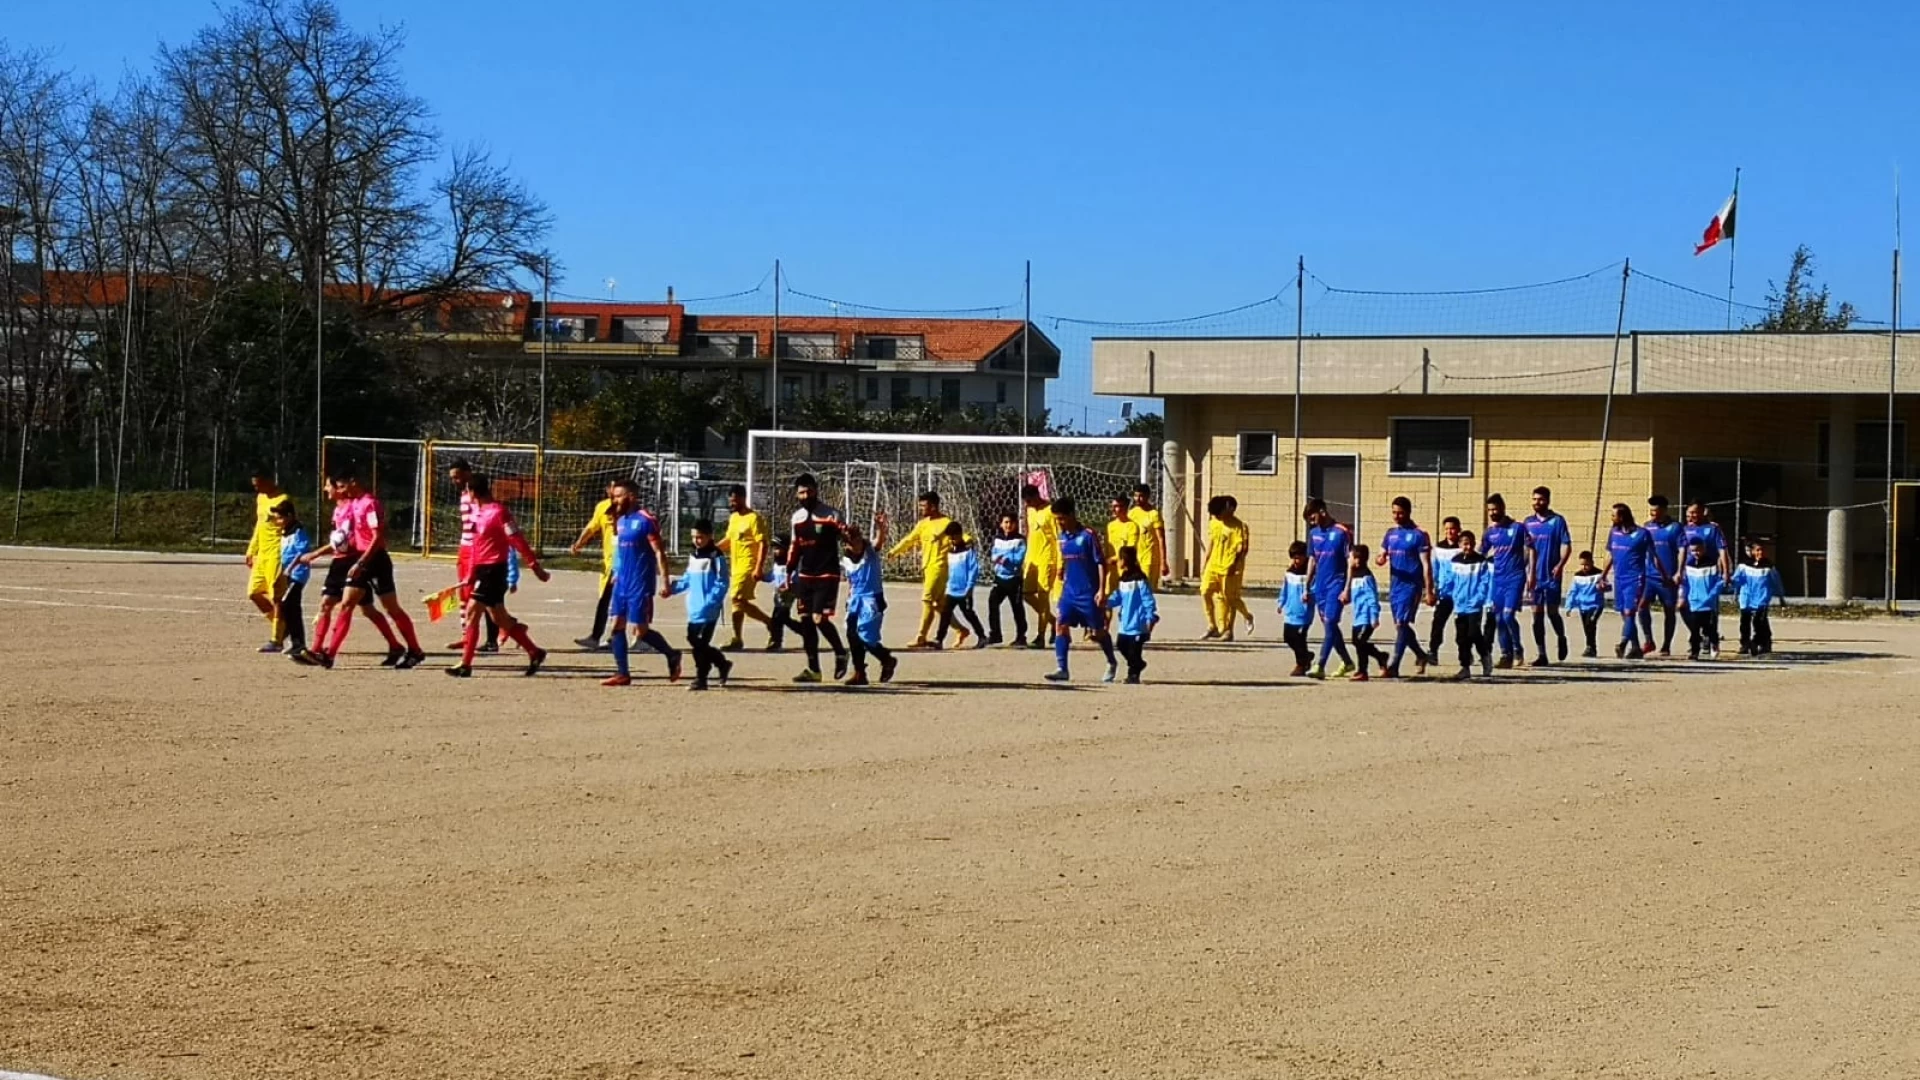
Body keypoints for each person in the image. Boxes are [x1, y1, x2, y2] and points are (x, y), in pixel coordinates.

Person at [310, 469, 427, 669]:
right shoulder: (353, 504)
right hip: (361, 558)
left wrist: (361, 561)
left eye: (342, 486)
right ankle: (328, 654)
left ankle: (415, 650)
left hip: (375, 560)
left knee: (392, 608)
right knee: (347, 604)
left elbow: (377, 537)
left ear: (353, 482)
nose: (341, 491)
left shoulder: (370, 504)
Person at [446, 474, 550, 677]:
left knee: (472, 612)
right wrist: (470, 573)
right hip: (482, 570)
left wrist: (534, 565)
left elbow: (517, 539)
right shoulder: (477, 513)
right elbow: (476, 547)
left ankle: (465, 664)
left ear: (473, 492)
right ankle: (535, 651)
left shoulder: (499, 512)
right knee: (500, 618)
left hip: (495, 569)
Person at [292, 479, 400, 667]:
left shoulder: (354, 506)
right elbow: (338, 540)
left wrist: (317, 553)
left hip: (355, 560)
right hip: (339, 562)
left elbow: (352, 537)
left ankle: (328, 653)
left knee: (360, 608)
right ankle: (316, 649)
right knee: (331, 604)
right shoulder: (337, 510)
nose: (326, 489)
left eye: (329, 485)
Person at [602, 478, 683, 687]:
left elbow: (659, 552)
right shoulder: (619, 521)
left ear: (631, 496)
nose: (615, 500)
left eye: (619, 496)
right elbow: (620, 550)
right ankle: (623, 674)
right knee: (615, 627)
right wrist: (615, 572)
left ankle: (672, 654)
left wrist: (665, 580)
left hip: (640, 582)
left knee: (640, 630)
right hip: (622, 582)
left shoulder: (646, 520)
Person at [1043, 497, 1119, 683]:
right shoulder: (1062, 537)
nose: (1059, 522)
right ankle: (1062, 668)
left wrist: (1101, 590)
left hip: (1088, 593)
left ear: (1071, 515)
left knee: (1098, 632)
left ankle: (1111, 661)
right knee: (1061, 626)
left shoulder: (1087, 535)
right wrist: (1062, 569)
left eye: (1061, 518)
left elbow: (1101, 563)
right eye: (1056, 519)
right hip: (1069, 591)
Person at [787, 474, 851, 682]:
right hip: (805, 575)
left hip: (827, 573)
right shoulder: (796, 518)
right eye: (802, 493)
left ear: (816, 490)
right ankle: (813, 669)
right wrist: (788, 572)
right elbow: (794, 547)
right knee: (806, 621)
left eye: (809, 491)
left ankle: (841, 653)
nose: (806, 496)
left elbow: (849, 540)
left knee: (818, 618)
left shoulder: (832, 515)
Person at [443, 457, 502, 654]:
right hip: (465, 548)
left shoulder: (479, 497)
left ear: (468, 473)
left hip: (477, 550)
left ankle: (496, 636)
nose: (455, 481)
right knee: (465, 595)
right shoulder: (464, 495)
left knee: (481, 596)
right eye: (453, 478)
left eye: (458, 477)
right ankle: (466, 636)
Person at [667, 519, 733, 690]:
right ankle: (721, 663)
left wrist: (711, 601)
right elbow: (688, 579)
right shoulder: (694, 556)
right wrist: (672, 588)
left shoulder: (716, 556)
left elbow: (722, 582)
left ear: (710, 536)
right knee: (694, 640)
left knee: (700, 645)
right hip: (695, 608)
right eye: (694, 537)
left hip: (709, 609)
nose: (697, 540)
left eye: (700, 537)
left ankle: (701, 678)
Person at [889, 490, 956, 649]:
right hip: (927, 567)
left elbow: (963, 537)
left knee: (927, 600)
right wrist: (894, 551)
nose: (921, 509)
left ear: (933, 506)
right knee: (939, 605)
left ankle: (921, 637)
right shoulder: (923, 523)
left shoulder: (947, 523)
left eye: (923, 506)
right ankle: (961, 630)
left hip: (940, 567)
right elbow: (909, 539)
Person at [1376, 496, 1434, 677]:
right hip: (1395, 586)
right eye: (1394, 512)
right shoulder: (1390, 534)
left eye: (1400, 513)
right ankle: (1421, 654)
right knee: (1400, 626)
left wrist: (1429, 590)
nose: (1396, 516)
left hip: (1412, 586)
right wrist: (1380, 559)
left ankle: (1394, 665)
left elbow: (1426, 564)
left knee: (1402, 624)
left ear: (1408, 512)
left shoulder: (1419, 535)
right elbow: (1381, 555)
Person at [841, 516, 899, 687]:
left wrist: (881, 528)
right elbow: (851, 581)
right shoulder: (846, 558)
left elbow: (879, 541)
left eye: (856, 539)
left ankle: (886, 658)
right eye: (849, 541)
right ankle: (859, 672)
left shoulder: (870, 551)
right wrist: (848, 597)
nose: (854, 544)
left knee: (866, 637)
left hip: (872, 599)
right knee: (851, 634)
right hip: (855, 599)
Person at [1304, 497, 1355, 679]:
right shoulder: (1314, 534)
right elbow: (1312, 560)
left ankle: (1320, 665)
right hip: (1320, 588)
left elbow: (1350, 561)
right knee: (1329, 626)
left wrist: (1347, 588)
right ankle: (1348, 662)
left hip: (1337, 584)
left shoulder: (1342, 532)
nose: (1311, 522)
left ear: (1322, 512)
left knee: (1331, 622)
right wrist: (1306, 585)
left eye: (1312, 517)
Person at [1522, 486, 1574, 665]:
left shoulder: (1557, 521)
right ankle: (1541, 654)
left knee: (1552, 612)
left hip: (1551, 576)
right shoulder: (1528, 523)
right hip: (1534, 577)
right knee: (1537, 615)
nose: (1537, 503)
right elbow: (1525, 550)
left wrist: (1560, 565)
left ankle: (1561, 637)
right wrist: (1523, 571)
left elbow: (1567, 545)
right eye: (1535, 499)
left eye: (1541, 499)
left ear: (1548, 500)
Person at [719, 485, 773, 651]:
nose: (732, 503)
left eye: (735, 500)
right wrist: (711, 549)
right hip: (735, 567)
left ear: (743, 498)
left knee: (736, 598)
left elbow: (763, 543)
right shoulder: (734, 518)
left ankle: (771, 623)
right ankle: (737, 639)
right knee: (738, 603)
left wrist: (759, 567)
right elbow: (728, 540)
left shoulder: (754, 518)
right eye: (731, 500)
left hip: (749, 565)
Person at [569, 480, 620, 651]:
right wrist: (578, 544)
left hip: (626, 564)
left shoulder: (632, 510)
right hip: (610, 563)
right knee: (606, 601)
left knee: (617, 602)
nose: (612, 490)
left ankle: (630, 637)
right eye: (610, 486)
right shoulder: (602, 507)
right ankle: (598, 637)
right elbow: (591, 528)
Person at [1480, 494, 1528, 669]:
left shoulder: (1518, 528)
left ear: (1502, 507)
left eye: (1495, 509)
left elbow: (1530, 550)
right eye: (1489, 510)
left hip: (1515, 577)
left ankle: (1518, 650)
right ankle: (1505, 654)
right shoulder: (1490, 533)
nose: (1492, 513)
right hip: (1498, 579)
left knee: (1508, 615)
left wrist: (1529, 573)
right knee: (1498, 618)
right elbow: (1481, 554)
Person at [1602, 503, 1655, 660]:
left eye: (1614, 515)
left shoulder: (1642, 534)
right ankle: (1636, 647)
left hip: (1635, 578)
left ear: (1622, 516)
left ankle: (1623, 642)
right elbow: (1609, 555)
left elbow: (1654, 556)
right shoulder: (1614, 533)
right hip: (1619, 578)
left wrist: (1665, 576)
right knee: (1625, 614)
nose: (1611, 518)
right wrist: (1603, 575)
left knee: (1629, 611)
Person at [244, 467, 288, 651]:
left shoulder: (283, 500)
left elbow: (289, 526)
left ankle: (276, 640)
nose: (256, 488)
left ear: (269, 480)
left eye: (259, 484)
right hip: (262, 555)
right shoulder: (261, 499)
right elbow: (259, 526)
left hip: (277, 554)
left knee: (277, 597)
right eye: (254, 485)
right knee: (253, 593)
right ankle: (283, 627)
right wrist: (251, 549)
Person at [1639, 495, 1686, 656]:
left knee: (1669, 610)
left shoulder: (1675, 527)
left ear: (1664, 510)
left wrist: (1679, 571)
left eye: (1656, 511)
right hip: (1649, 576)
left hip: (1668, 578)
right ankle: (1648, 640)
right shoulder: (1646, 527)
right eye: (1651, 512)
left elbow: (1682, 550)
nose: (1653, 515)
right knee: (1641, 605)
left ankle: (1666, 645)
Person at [1106, 545, 1158, 683]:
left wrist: (1150, 616)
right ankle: (1138, 664)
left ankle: (1133, 674)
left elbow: (1147, 599)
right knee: (1121, 645)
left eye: (1120, 559)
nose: (1118, 562)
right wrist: (1105, 602)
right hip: (1125, 622)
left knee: (1134, 650)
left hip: (1138, 622)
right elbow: (1118, 597)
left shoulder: (1140, 580)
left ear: (1125, 560)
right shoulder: (1123, 579)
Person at [1448, 530, 1494, 680]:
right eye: (1464, 544)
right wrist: (1446, 592)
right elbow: (1450, 580)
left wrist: (1480, 598)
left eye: (1470, 544)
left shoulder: (1480, 561)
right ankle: (1465, 666)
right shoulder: (1455, 561)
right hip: (1459, 605)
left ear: (1474, 544)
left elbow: (1485, 581)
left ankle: (1485, 656)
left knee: (1473, 633)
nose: (1467, 547)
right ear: (1460, 544)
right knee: (1461, 637)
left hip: (1474, 604)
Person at [934, 521, 989, 648]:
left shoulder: (967, 552)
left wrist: (969, 586)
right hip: (951, 590)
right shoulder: (949, 552)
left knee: (969, 613)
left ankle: (982, 636)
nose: (952, 539)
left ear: (960, 535)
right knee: (945, 614)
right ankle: (939, 639)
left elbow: (973, 569)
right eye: (950, 537)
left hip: (964, 590)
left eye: (954, 536)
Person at [268, 499, 311, 660]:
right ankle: (294, 642)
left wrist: (290, 568)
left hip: (298, 574)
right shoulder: (285, 531)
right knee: (288, 606)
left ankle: (298, 644)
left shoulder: (298, 531)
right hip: (288, 573)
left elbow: (302, 552)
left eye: (280, 518)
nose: (278, 521)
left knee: (290, 605)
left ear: (290, 515)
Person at [1199, 496, 1245, 641]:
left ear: (1227, 509)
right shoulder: (1213, 522)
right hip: (1213, 565)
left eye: (1219, 514)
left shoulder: (1238, 526)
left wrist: (1234, 565)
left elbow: (1241, 548)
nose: (1218, 517)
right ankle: (1212, 625)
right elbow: (1211, 544)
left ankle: (1227, 630)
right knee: (1205, 591)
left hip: (1228, 567)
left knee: (1227, 597)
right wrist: (1204, 563)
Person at [1021, 483, 1060, 649]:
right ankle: (1053, 622)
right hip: (1032, 558)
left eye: (1030, 500)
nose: (1028, 504)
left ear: (1037, 496)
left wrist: (1060, 562)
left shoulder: (1051, 511)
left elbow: (1058, 537)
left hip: (1047, 557)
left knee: (1043, 596)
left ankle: (1041, 636)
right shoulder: (1030, 511)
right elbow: (1030, 533)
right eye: (1026, 501)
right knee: (1027, 594)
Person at [1733, 538, 1785, 657]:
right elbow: (1737, 580)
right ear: (1751, 551)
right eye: (1757, 550)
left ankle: (1759, 642)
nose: (1760, 553)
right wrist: (1731, 586)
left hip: (1762, 598)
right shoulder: (1744, 565)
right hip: (1746, 598)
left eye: (1762, 550)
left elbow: (1776, 582)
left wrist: (1781, 597)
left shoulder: (1768, 566)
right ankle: (1745, 644)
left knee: (1759, 622)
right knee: (1744, 622)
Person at [1347, 545, 1390, 681]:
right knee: (1356, 641)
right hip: (1357, 616)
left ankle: (1362, 671)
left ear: (1358, 559)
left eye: (1351, 557)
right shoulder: (1352, 575)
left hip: (1366, 616)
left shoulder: (1366, 577)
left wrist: (1374, 616)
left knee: (1360, 642)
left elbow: (1372, 598)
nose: (1349, 559)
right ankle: (1380, 656)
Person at [1679, 539, 1725, 661]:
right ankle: (1694, 651)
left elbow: (1719, 582)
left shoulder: (1712, 564)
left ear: (1704, 549)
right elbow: (1685, 583)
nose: (1696, 553)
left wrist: (1712, 596)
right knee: (1694, 630)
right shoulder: (1689, 565)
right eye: (1693, 550)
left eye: (1698, 550)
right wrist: (1683, 596)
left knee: (1709, 629)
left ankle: (1714, 643)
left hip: (1708, 604)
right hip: (1694, 602)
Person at [986, 514, 1028, 646]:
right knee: (993, 601)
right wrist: (997, 559)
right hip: (1000, 578)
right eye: (1006, 522)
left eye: (1011, 522)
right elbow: (993, 554)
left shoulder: (1019, 540)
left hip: (1014, 578)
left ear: (1016, 524)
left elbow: (1019, 558)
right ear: (1001, 524)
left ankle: (1021, 636)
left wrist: (1006, 560)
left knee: (1017, 607)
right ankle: (995, 634)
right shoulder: (998, 539)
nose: (1008, 525)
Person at [1426, 516, 1464, 658]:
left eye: (1452, 528)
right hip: (1445, 592)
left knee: (1462, 625)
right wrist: (1433, 588)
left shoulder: (1463, 548)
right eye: (1447, 529)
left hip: (1461, 593)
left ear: (1459, 530)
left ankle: (1465, 653)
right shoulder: (1439, 548)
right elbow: (1435, 569)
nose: (1450, 531)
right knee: (1438, 622)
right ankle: (1433, 650)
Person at [763, 537, 808, 651]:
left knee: (778, 617)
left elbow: (795, 577)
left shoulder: (791, 563)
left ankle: (776, 641)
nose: (775, 551)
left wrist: (788, 585)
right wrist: (762, 577)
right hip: (779, 595)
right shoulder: (777, 563)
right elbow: (772, 577)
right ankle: (804, 631)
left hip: (789, 593)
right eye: (774, 548)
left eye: (778, 548)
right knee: (783, 618)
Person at [1277, 541, 1314, 676]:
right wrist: (1281, 602)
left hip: (1303, 612)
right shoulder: (1290, 572)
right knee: (1288, 637)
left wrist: (1309, 594)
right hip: (1290, 610)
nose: (1296, 561)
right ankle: (1306, 656)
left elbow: (1314, 588)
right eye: (1294, 558)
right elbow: (1285, 589)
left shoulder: (1309, 573)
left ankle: (1301, 664)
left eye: (1299, 557)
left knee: (1300, 639)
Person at [1565, 550, 1606, 658]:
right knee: (1586, 627)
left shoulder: (1599, 574)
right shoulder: (1578, 576)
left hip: (1596, 604)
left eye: (1586, 564)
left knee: (1591, 623)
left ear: (1592, 562)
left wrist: (1604, 586)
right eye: (1582, 564)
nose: (1584, 567)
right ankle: (1591, 647)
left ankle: (1590, 647)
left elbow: (1607, 586)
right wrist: (1569, 606)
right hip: (1583, 606)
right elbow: (1573, 591)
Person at [1223, 495, 1254, 635]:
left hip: (1234, 567)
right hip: (1219, 565)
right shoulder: (1218, 523)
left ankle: (1230, 629)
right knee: (1220, 596)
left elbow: (1244, 548)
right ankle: (1222, 627)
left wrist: (1235, 564)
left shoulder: (1241, 526)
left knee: (1231, 597)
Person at [1129, 484, 1169, 588]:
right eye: (1136, 496)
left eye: (1141, 496)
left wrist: (1163, 562)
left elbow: (1161, 539)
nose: (1138, 499)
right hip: (1134, 559)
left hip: (1149, 559)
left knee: (1145, 590)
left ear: (1147, 496)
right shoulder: (1131, 513)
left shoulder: (1154, 514)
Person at [1684, 501, 1733, 579]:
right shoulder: (1686, 529)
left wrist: (1726, 571)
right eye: (1689, 513)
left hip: (1708, 571)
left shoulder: (1713, 528)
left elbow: (1722, 550)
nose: (1691, 515)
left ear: (1702, 511)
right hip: (1689, 572)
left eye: (1694, 513)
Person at [1105, 495, 1141, 583]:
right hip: (1111, 572)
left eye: (1116, 506)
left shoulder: (1132, 526)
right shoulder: (1110, 526)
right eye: (1112, 506)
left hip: (1125, 571)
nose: (1113, 509)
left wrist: (1115, 559)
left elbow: (1129, 550)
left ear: (1124, 508)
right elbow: (1107, 549)